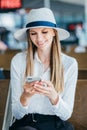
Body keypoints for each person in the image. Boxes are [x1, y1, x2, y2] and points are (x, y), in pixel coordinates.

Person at [9, 7, 78, 130]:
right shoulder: (18, 61)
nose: (39, 39)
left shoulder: (69, 64)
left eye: (44, 32)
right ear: (29, 36)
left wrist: (53, 96)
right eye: (33, 33)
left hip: (55, 125)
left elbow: (66, 115)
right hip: (26, 124)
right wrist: (25, 96)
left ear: (54, 32)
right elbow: (17, 114)